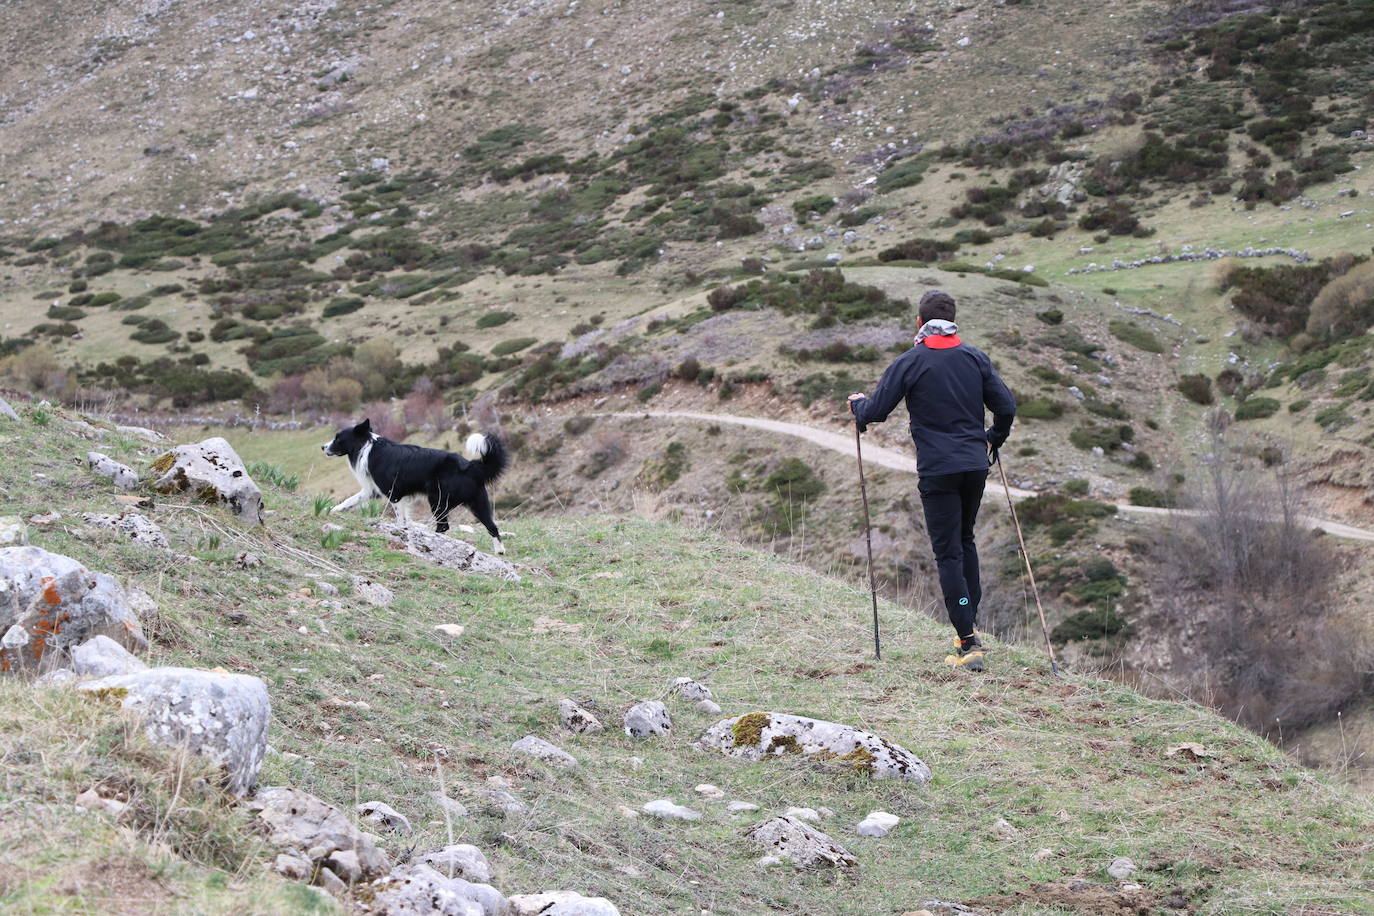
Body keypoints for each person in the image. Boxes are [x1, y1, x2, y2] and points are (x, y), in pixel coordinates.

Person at [847, 289, 1016, 672]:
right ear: (953, 321)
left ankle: (969, 643)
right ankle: (968, 626)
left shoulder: (911, 361)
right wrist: (993, 439)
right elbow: (1006, 407)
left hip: (938, 469)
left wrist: (857, 406)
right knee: (965, 540)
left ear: (920, 323)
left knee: (948, 552)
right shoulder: (974, 358)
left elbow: (875, 411)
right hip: (975, 464)